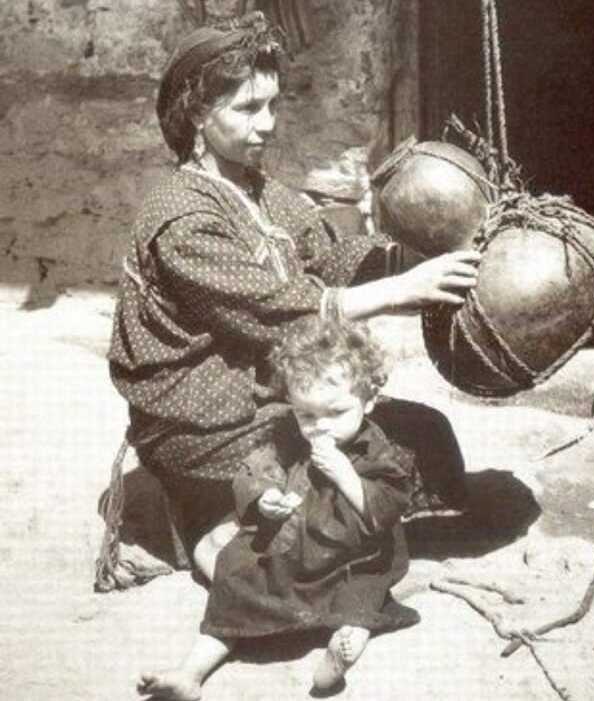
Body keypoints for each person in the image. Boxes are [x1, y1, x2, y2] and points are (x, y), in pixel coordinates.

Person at [107, 11, 480, 586]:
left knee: (427, 438)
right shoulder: (181, 218)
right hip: (204, 422)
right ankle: (211, 520)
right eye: (248, 109)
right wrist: (399, 291)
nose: (268, 124)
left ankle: (258, 521)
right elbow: (276, 308)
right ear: (198, 116)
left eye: (273, 105)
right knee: (335, 501)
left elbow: (325, 257)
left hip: (265, 398)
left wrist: (410, 261)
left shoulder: (255, 188)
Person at [138, 318, 420, 699]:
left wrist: (345, 475)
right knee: (234, 580)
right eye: (307, 415)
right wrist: (264, 496)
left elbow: (385, 509)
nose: (320, 427)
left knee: (364, 593)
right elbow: (258, 466)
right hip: (292, 548)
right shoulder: (289, 434)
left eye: (336, 413)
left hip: (350, 557)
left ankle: (343, 649)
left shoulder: (376, 450)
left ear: (369, 402)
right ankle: (191, 673)